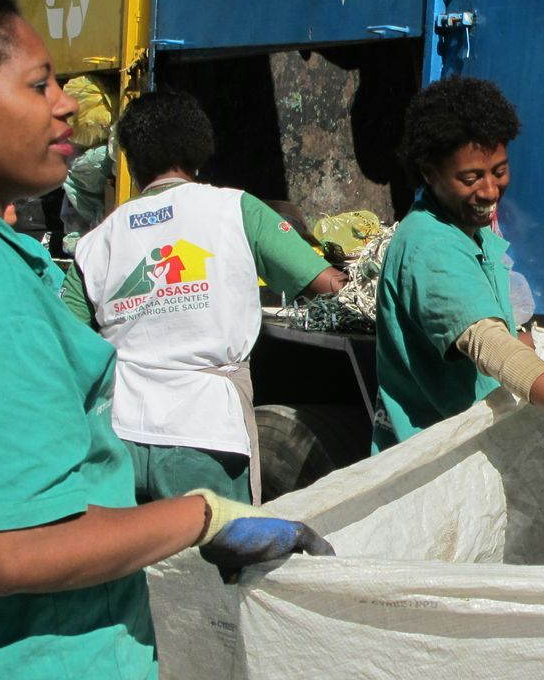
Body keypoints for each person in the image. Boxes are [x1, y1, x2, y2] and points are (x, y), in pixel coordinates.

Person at [0, 0, 333, 678]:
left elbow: (73, 335)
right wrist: (204, 516)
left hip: (121, 438)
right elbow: (19, 547)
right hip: (40, 652)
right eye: (40, 84)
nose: (66, 103)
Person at [61, 89, 348, 505]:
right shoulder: (236, 210)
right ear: (198, 151)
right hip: (203, 435)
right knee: (207, 570)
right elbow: (329, 287)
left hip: (116, 440)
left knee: (133, 569)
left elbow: (63, 339)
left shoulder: (98, 239)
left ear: (131, 159)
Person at [374, 76, 544, 457]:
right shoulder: (430, 247)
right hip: (434, 465)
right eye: (470, 178)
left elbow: (503, 330)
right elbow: (487, 343)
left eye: (498, 171)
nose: (490, 190)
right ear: (429, 173)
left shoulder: (465, 232)